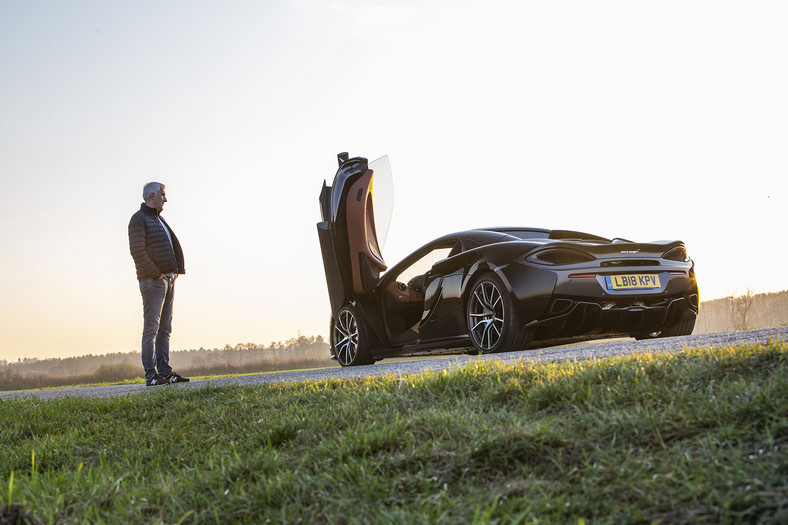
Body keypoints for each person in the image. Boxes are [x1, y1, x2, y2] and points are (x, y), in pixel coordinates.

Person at [128, 182, 190, 386]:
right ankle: (151, 375)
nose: (165, 199)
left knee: (165, 329)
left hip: (169, 279)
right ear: (152, 196)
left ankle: (165, 371)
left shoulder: (159, 219)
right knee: (151, 328)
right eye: (163, 195)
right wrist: (156, 275)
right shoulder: (139, 219)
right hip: (153, 281)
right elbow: (137, 252)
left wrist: (174, 273)